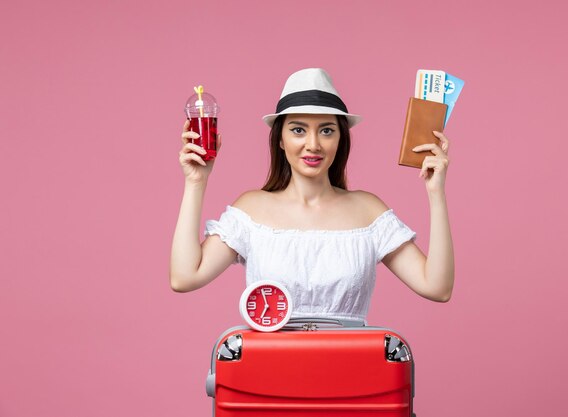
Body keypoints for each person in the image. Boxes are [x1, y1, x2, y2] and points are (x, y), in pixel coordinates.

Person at [170, 68, 454, 324]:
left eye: (327, 131)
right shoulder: (252, 209)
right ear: (280, 139)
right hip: (270, 373)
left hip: (352, 372)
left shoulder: (368, 210)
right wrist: (196, 182)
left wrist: (435, 191)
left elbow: (437, 287)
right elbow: (185, 277)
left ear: (340, 139)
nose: (313, 144)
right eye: (298, 130)